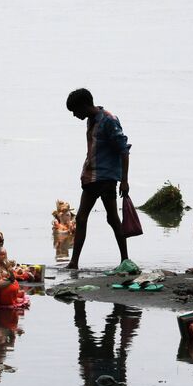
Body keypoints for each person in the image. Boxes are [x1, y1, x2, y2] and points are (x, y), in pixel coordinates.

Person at [65, 88, 131, 269]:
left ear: (84, 106)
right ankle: (74, 262)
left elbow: (123, 150)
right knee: (83, 218)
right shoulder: (91, 120)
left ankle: (124, 259)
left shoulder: (109, 120)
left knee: (110, 218)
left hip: (106, 178)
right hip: (91, 176)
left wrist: (124, 180)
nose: (74, 115)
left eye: (75, 111)